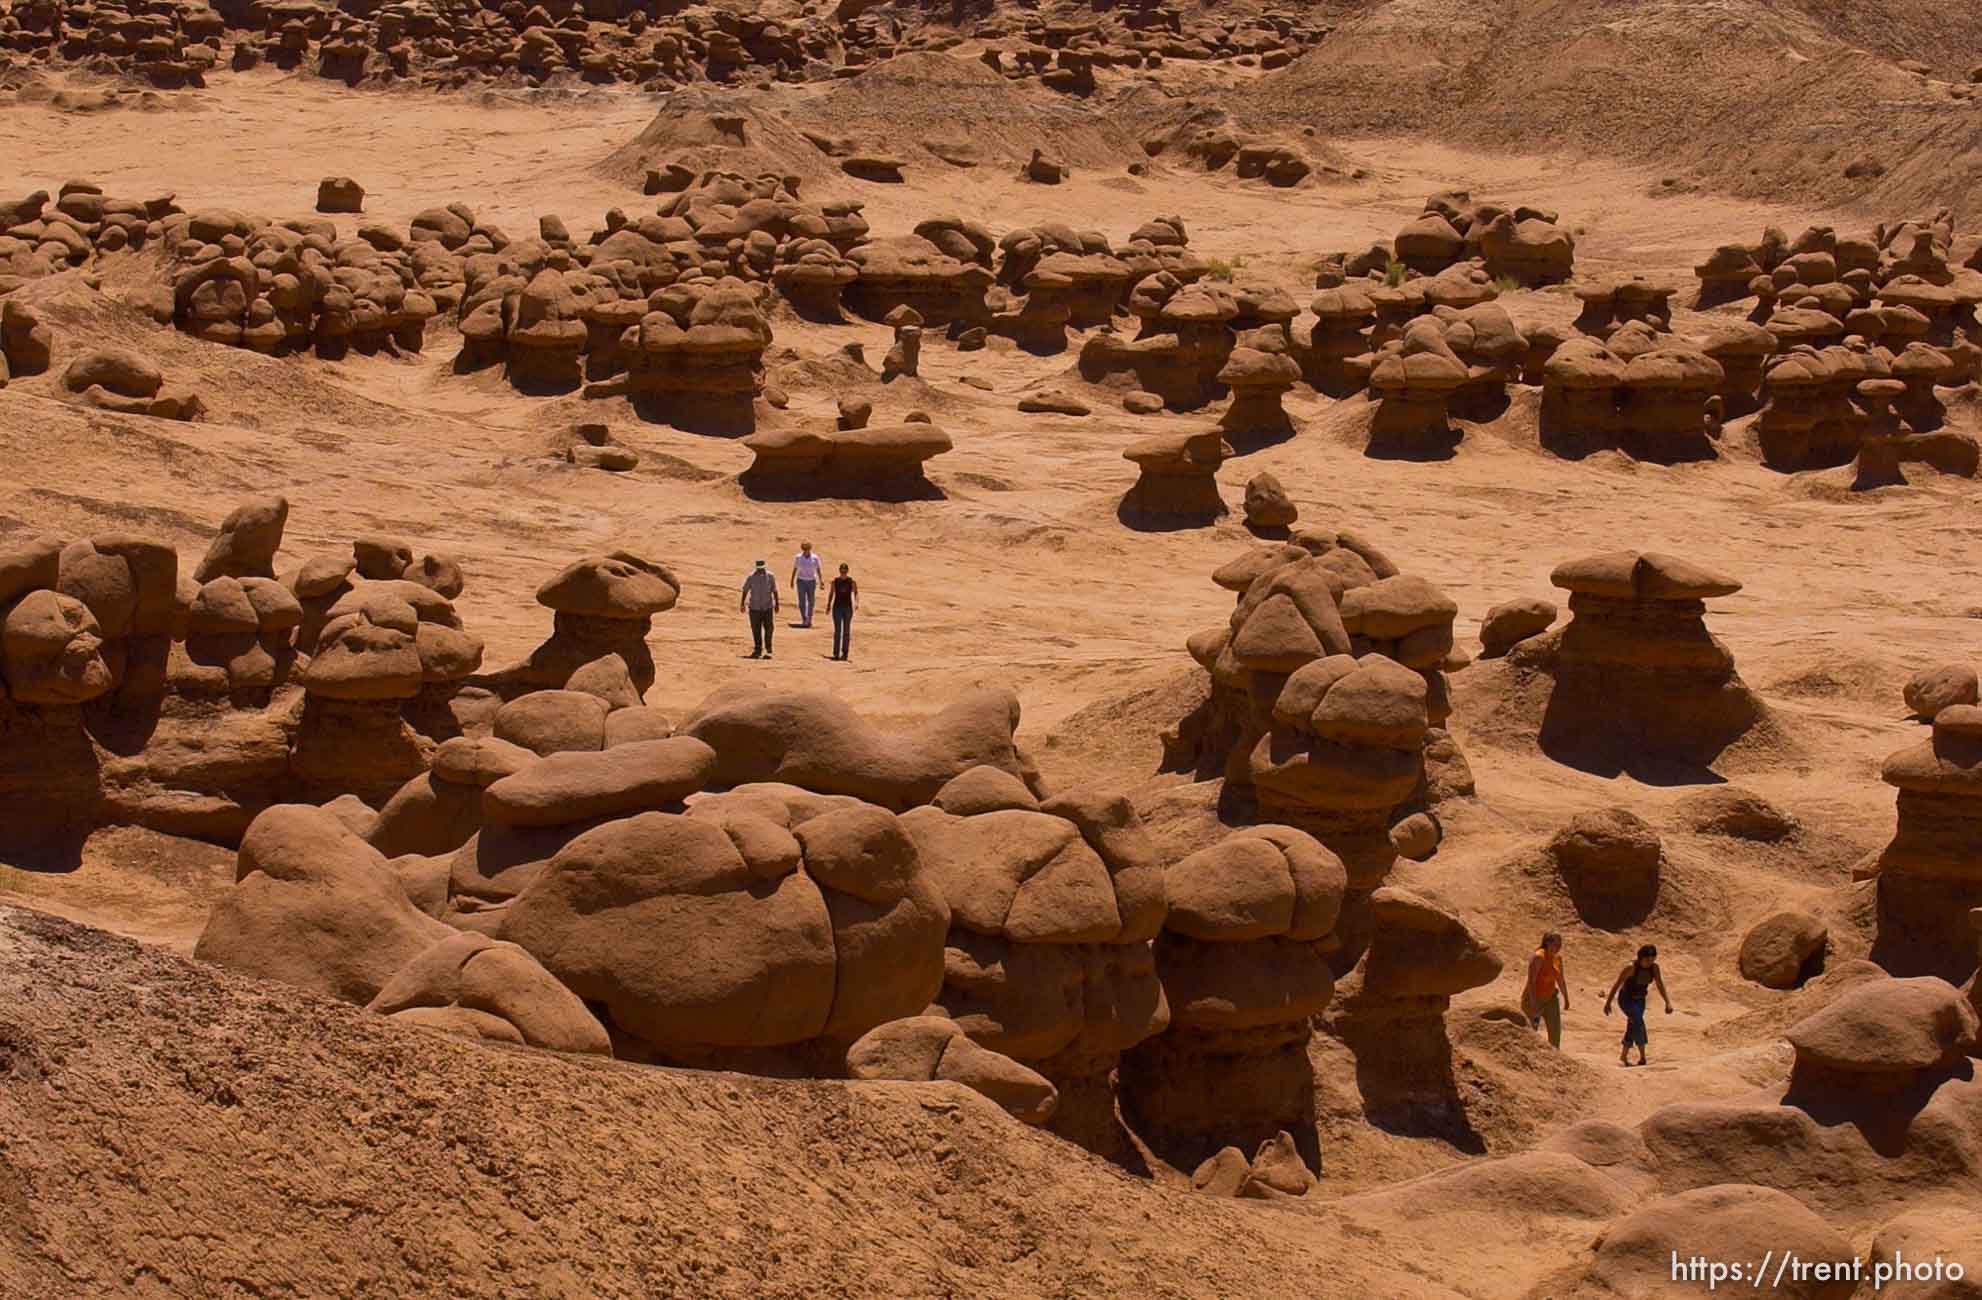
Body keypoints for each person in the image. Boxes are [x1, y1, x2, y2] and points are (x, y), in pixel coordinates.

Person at [1605, 944, 1673, 1066]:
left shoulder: (1654, 968)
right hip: (1626, 999)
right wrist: (1608, 1003)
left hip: (1640, 1000)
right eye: (1647, 959)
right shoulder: (1631, 968)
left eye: (1653, 959)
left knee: (1633, 1024)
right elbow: (1617, 985)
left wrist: (1667, 1002)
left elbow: (1660, 984)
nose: (1650, 962)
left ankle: (1623, 1056)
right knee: (1639, 1023)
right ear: (1640, 957)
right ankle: (1642, 1058)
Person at [1522, 932, 1569, 1049]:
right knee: (1531, 1031)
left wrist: (1566, 998)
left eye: (1560, 944)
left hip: (1550, 999)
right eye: (1556, 944)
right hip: (1534, 999)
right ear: (1547, 942)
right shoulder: (1538, 957)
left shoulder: (1558, 959)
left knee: (1555, 1032)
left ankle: (1555, 1058)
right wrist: (1533, 1004)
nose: (1558, 947)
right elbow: (1531, 982)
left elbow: (1561, 980)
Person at [740, 559, 779, 659]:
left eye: (762, 569)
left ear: (765, 567)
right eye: (759, 569)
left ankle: (768, 647)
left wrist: (777, 604)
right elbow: (745, 590)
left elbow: (774, 590)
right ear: (756, 568)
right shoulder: (751, 577)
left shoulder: (770, 576)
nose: (761, 570)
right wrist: (742, 604)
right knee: (756, 629)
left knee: (769, 628)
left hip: (767, 607)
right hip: (754, 608)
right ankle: (758, 648)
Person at [828, 563, 858, 661]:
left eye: (845, 571)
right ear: (839, 571)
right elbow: (831, 593)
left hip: (847, 608)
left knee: (846, 631)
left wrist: (856, 602)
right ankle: (836, 653)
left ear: (847, 571)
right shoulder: (835, 581)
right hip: (837, 608)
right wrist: (828, 605)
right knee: (837, 631)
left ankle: (845, 653)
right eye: (842, 571)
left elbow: (856, 593)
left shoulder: (851, 582)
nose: (843, 573)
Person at [791, 541, 824, 629]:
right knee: (802, 601)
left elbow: (818, 569)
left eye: (807, 549)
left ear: (810, 549)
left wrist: (821, 581)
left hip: (811, 581)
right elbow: (795, 568)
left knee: (811, 601)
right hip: (801, 580)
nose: (806, 550)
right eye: (804, 549)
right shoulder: (798, 557)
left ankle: (809, 619)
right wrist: (792, 580)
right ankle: (804, 619)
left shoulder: (815, 558)